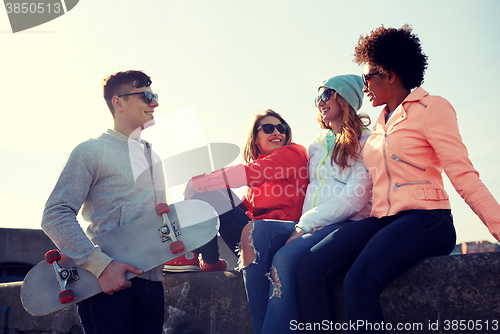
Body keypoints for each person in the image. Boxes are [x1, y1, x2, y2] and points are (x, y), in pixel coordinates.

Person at [296, 25, 500, 333]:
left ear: (390, 74)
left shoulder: (432, 108)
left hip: (428, 219)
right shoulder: (378, 126)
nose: (364, 85)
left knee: (358, 282)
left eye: (368, 76)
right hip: (383, 220)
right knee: (309, 266)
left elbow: (464, 176)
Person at [240, 75, 373, 334]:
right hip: (307, 224)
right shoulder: (317, 145)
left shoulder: (366, 141)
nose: (320, 103)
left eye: (326, 96)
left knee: (284, 258)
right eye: (318, 98)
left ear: (344, 97)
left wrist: (305, 225)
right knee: (253, 232)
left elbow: (354, 198)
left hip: (344, 223)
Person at [41, 70, 166, 334]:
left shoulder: (154, 159)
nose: (154, 103)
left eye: (154, 96)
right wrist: (101, 266)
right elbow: (55, 214)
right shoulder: (91, 150)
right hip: (107, 287)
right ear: (117, 102)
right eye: (145, 95)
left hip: (153, 286)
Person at [164, 109, 309, 273]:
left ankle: (200, 257)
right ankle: (209, 261)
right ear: (255, 138)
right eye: (269, 128)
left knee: (204, 189)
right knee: (212, 191)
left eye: (281, 128)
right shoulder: (263, 172)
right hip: (255, 235)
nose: (276, 132)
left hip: (278, 238)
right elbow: (245, 207)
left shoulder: (293, 153)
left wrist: (199, 184)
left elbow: (251, 173)